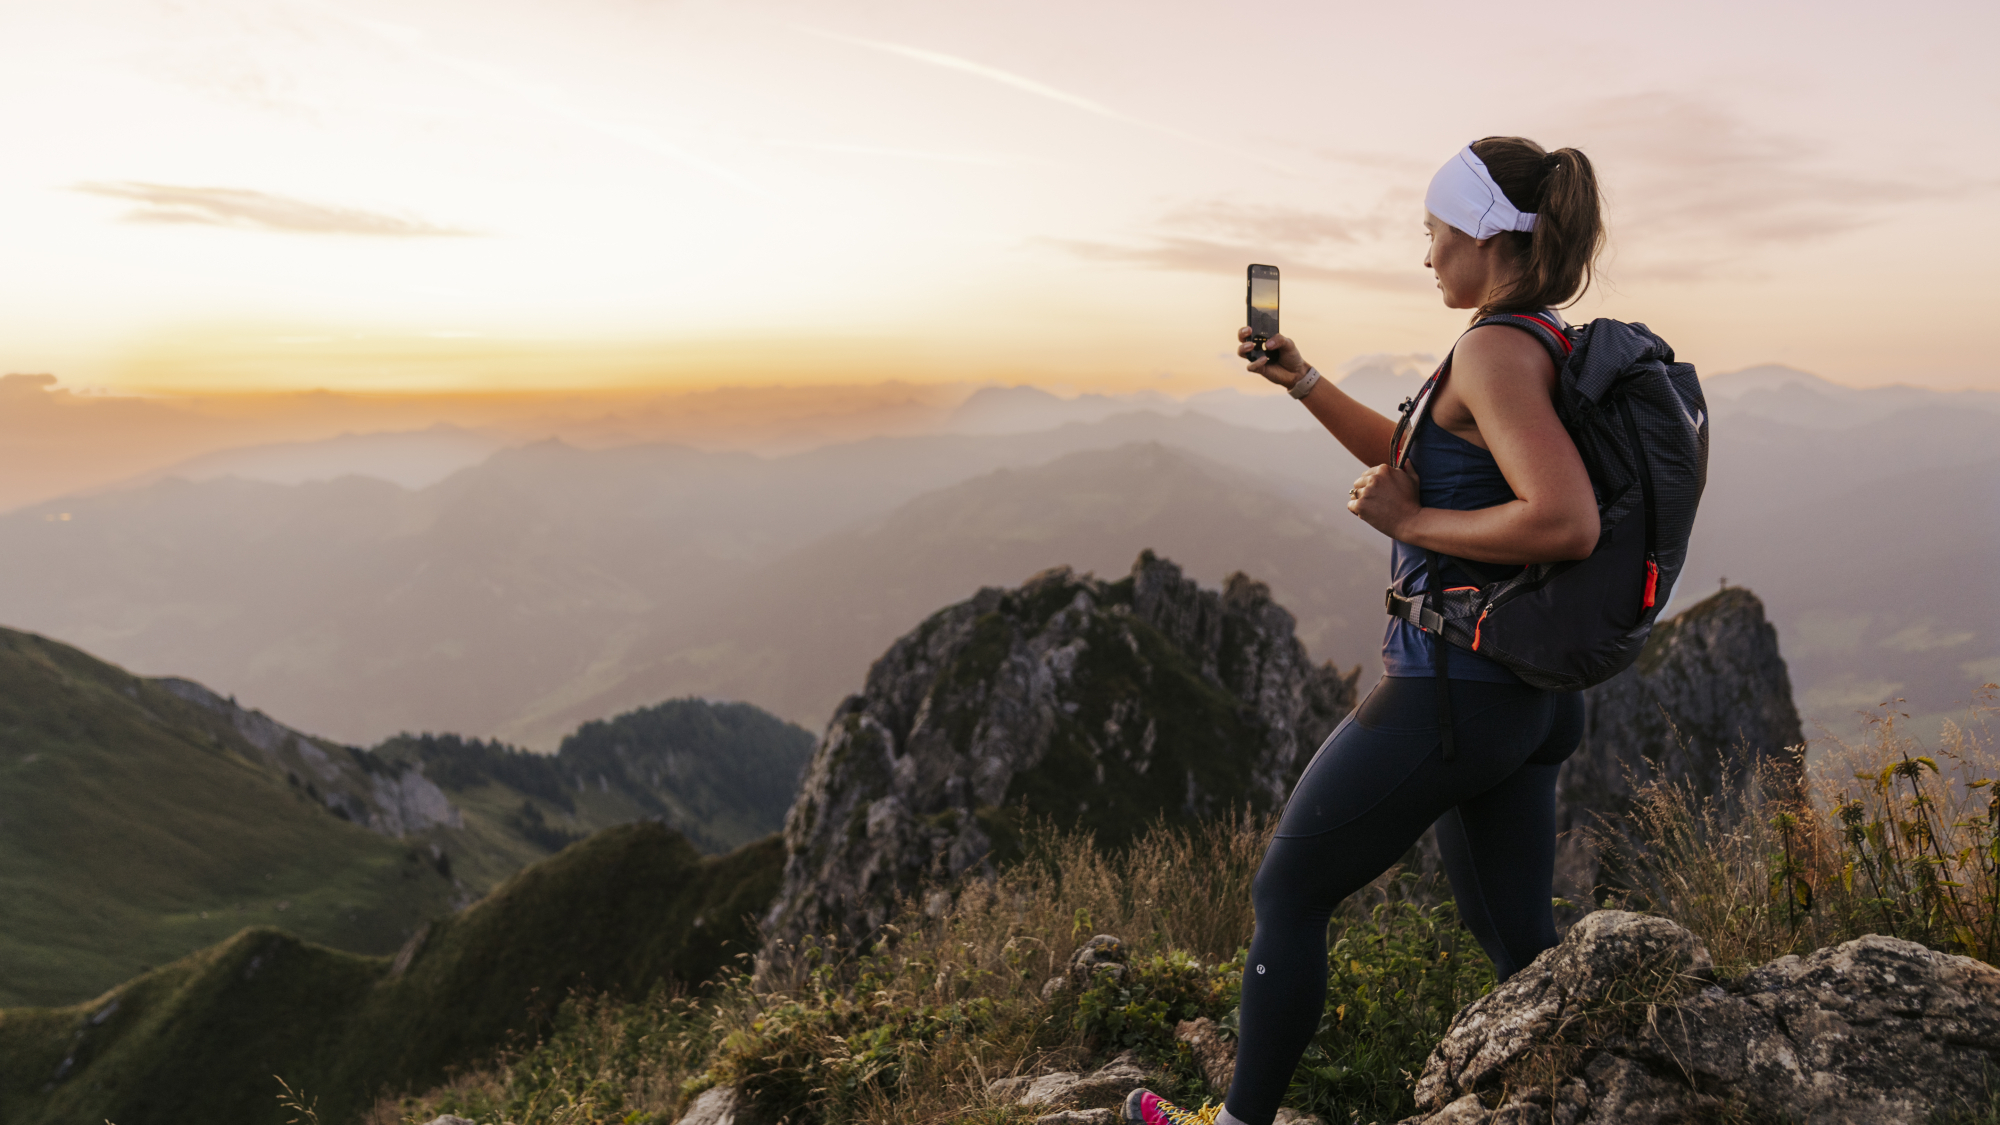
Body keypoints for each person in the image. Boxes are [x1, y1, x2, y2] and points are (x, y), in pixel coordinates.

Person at [1126, 136, 1605, 1125]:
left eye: (1434, 232)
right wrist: (1302, 380)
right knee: (1516, 937)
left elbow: (1564, 520)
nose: (1426, 254)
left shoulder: (1491, 349)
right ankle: (1597, 1097)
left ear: (1485, 233)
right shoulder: (1532, 339)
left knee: (1288, 892)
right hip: (1524, 695)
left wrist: (1412, 525)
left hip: (1455, 691)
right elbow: (1421, 456)